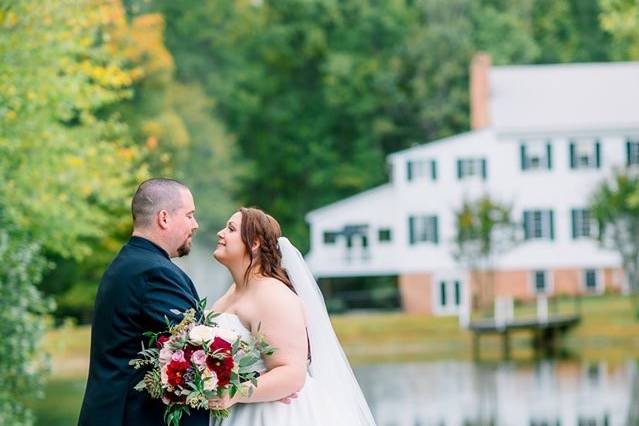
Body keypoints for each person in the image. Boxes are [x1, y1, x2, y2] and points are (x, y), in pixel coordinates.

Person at [209, 207, 376, 425]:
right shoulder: (232, 292)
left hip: (272, 415)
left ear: (254, 243)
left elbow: (291, 374)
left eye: (230, 229)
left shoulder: (272, 295)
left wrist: (236, 392)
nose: (220, 233)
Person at [78, 178, 209, 426]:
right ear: (164, 218)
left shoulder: (128, 263)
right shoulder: (155, 273)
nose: (195, 224)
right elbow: (198, 352)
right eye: (189, 215)